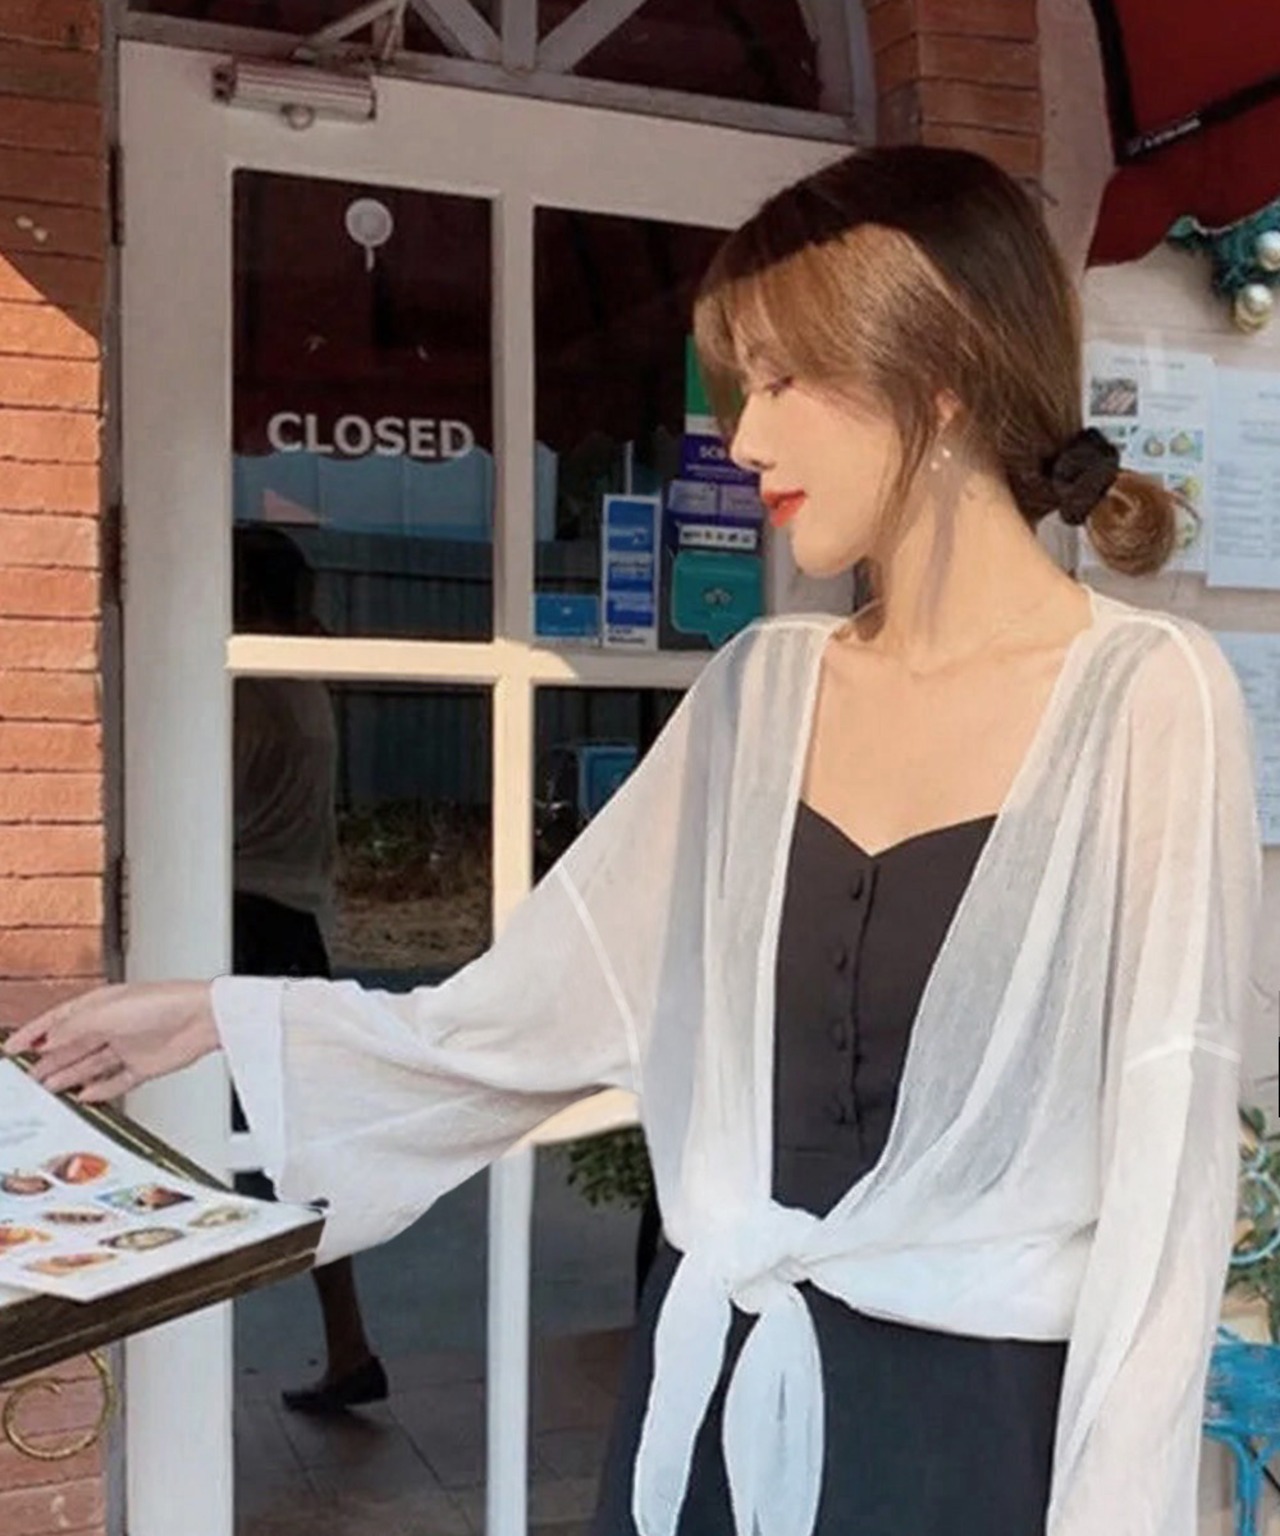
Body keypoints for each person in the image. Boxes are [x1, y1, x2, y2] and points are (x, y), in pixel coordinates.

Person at [4, 147, 1261, 1536]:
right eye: (738, 387)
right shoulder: (758, 694)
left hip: (973, 1451)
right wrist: (215, 1016)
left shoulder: (1142, 697)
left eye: (783, 381)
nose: (743, 437)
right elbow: (530, 1012)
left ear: (940, 367)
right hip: (709, 1408)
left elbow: (1167, 1170)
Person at [231, 526, 386, 1413]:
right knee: (302, 1152)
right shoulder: (305, 678)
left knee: (219, 1152)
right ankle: (349, 1346)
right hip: (293, 927)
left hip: (243, 921)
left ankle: (180, 1377)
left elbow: (199, 809)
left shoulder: (248, 687)